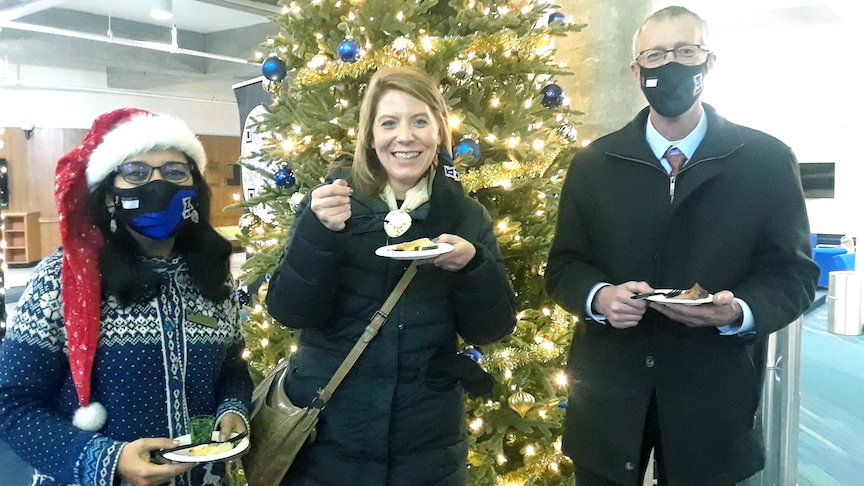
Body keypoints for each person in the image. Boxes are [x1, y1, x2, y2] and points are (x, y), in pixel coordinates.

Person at [544, 6, 819, 486]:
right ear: (636, 70)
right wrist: (598, 297)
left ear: (708, 63)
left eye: (686, 51)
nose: (670, 65)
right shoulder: (593, 164)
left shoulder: (765, 161)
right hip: (609, 393)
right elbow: (565, 264)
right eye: (655, 55)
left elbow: (792, 273)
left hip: (710, 394)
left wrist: (740, 311)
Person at [265, 66, 516, 485]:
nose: (405, 136)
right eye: (389, 123)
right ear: (370, 135)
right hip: (327, 438)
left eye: (420, 121)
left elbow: (493, 327)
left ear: (439, 133)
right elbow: (290, 312)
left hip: (425, 446)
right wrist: (317, 232)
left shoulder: (465, 216)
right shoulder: (333, 204)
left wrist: (473, 266)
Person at [0, 108, 253, 486]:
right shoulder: (63, 279)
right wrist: (107, 460)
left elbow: (231, 365)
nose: (157, 184)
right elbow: (11, 401)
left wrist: (233, 408)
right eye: (136, 172)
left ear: (194, 189)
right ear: (109, 195)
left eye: (174, 171)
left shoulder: (213, 275)